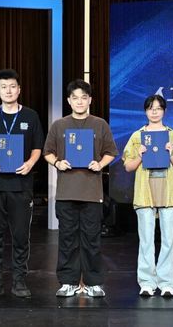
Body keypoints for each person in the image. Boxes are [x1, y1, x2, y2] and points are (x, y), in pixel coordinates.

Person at [43, 79, 118, 298]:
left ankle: (94, 282)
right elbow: (47, 152)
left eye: (83, 98)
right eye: (75, 98)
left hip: (92, 193)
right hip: (66, 193)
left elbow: (111, 152)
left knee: (92, 239)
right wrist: (57, 163)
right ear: (69, 100)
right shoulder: (59, 125)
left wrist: (100, 164)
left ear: (90, 100)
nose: (79, 101)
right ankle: (69, 281)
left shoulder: (100, 124)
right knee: (67, 239)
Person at [0, 69, 44, 298]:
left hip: (21, 185)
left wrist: (30, 163)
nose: (8, 91)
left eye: (12, 86)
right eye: (4, 87)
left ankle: (19, 281)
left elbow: (37, 147)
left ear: (19, 89)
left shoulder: (31, 116)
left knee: (20, 236)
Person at [122, 95, 173, 298]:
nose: (155, 112)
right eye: (151, 108)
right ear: (145, 111)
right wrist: (139, 155)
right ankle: (147, 282)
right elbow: (128, 166)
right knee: (146, 240)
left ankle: (167, 283)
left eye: (158, 108)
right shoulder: (137, 136)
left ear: (164, 111)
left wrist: (171, 154)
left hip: (168, 192)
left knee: (169, 239)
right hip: (145, 192)